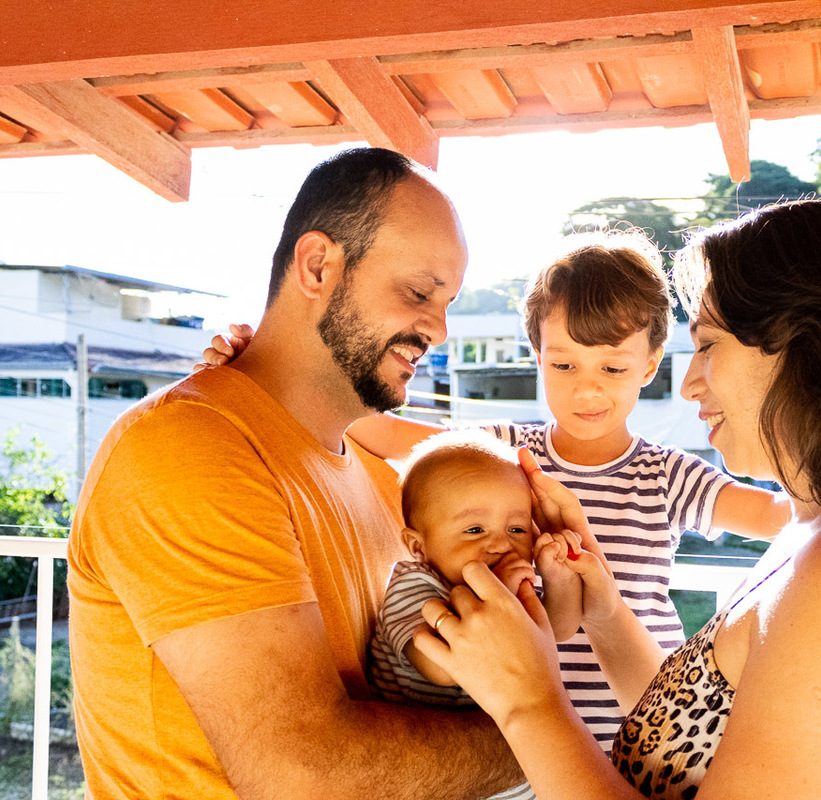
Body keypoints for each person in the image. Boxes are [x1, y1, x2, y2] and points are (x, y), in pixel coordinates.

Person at [412, 199, 821, 800]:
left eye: (707, 345)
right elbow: (695, 735)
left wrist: (527, 700)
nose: (690, 384)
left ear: (807, 350)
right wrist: (603, 606)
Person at [204, 230, 793, 748]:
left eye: (612, 368)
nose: (587, 390)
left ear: (650, 363)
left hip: (643, 733)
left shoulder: (670, 474)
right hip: (521, 747)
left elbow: (780, 517)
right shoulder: (502, 454)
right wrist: (270, 370)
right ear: (537, 357)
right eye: (564, 365)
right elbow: (380, 430)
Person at [68, 148, 527, 800]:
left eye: (447, 302)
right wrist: (545, 735)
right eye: (419, 292)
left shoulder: (382, 480)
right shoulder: (188, 446)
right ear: (317, 266)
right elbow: (304, 774)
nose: (439, 330)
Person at [370, 429, 583, 800]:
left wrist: (557, 573)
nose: (501, 543)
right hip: (438, 775)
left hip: (511, 777)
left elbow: (560, 628)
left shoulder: (514, 587)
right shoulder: (414, 585)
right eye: (474, 530)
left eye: (516, 528)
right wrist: (499, 594)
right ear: (418, 546)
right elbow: (440, 668)